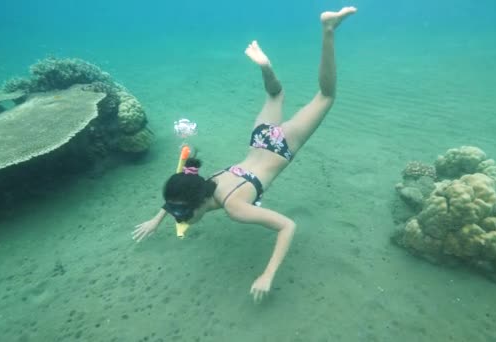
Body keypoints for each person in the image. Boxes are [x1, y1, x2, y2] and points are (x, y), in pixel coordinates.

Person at [132, 7, 357, 302]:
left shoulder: (235, 208)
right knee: (275, 95)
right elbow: (179, 190)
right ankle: (265, 66)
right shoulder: (202, 182)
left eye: (183, 214)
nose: (180, 219)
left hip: (280, 147)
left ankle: (328, 30)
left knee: (326, 96)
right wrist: (156, 219)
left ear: (199, 203)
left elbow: (288, 226)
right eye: (178, 214)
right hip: (260, 138)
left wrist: (268, 274)